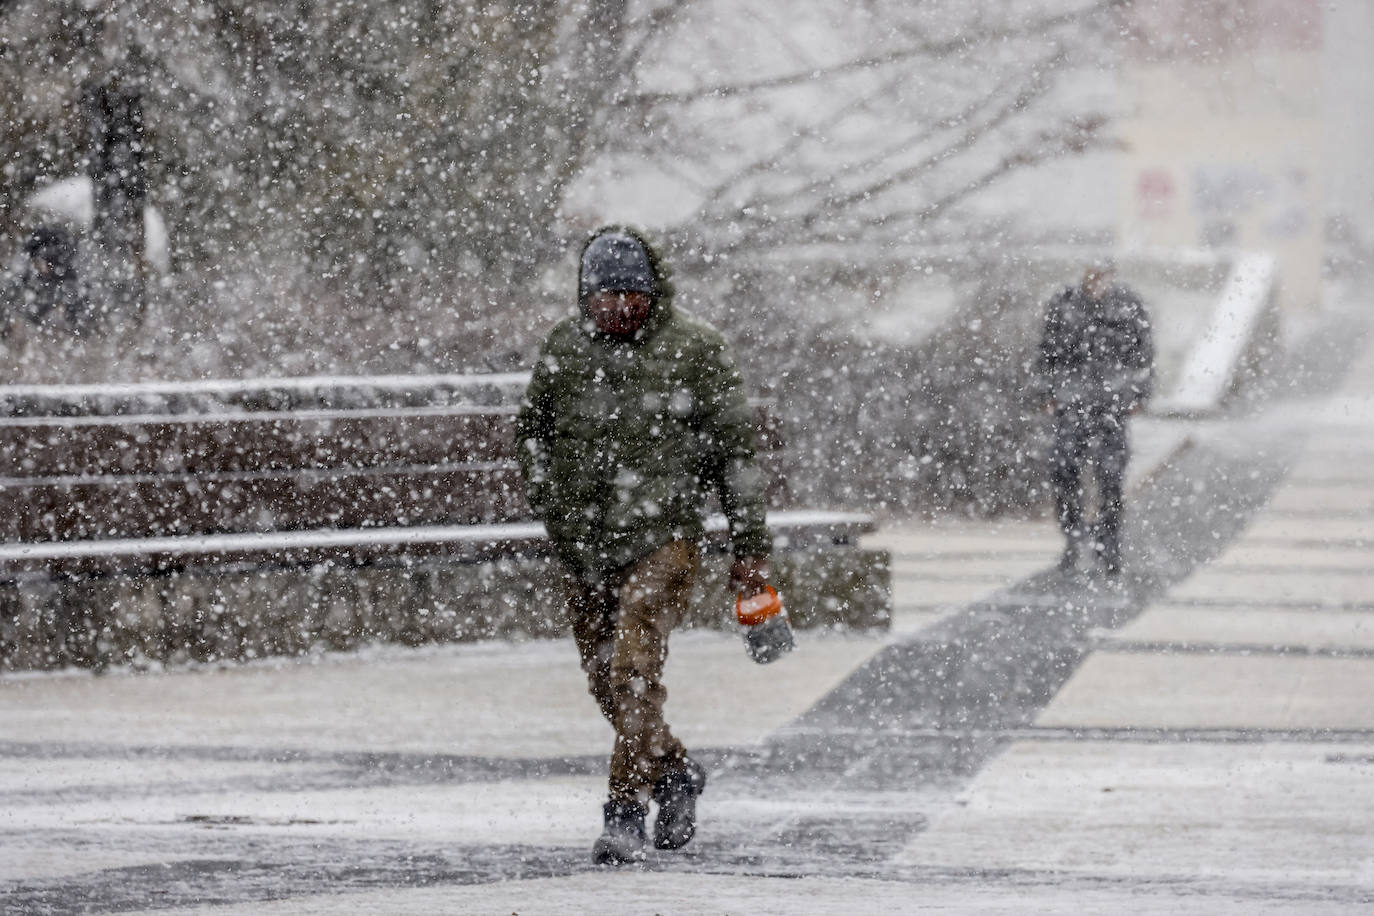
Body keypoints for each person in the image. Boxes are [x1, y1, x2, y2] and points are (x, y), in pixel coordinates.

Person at [515, 226, 772, 865]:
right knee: (605, 679)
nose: (620, 307)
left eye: (633, 293)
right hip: (582, 542)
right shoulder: (565, 349)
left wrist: (749, 545)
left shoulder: (696, 350)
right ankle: (674, 769)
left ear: (653, 291)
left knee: (633, 671)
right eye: (606, 296)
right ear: (585, 296)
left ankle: (624, 811)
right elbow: (533, 432)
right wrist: (548, 497)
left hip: (664, 534)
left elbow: (737, 453)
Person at [1038, 258, 1154, 578]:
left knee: (1110, 477)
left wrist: (1138, 394)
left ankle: (1109, 541)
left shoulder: (1127, 305)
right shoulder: (1064, 304)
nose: (1097, 280)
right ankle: (1074, 537)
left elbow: (1143, 354)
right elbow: (1047, 353)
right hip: (1071, 402)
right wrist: (1048, 392)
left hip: (1111, 404)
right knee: (1065, 472)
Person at [1, 224, 93, 339]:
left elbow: (76, 310)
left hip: (58, 332)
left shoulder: (68, 281)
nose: (37, 266)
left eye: (40, 262)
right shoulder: (27, 274)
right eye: (35, 262)